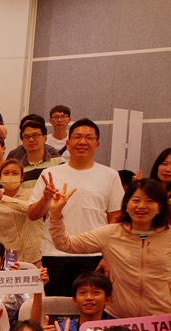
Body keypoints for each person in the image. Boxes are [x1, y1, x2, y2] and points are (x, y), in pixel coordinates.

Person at [48, 177, 171, 318]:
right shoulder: (111, 233)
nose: (142, 206)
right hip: (119, 317)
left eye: (150, 201)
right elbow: (65, 243)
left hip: (162, 319)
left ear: (160, 207)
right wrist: (55, 213)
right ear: (126, 205)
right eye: (136, 200)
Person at [30, 119, 123, 295]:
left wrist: (109, 257)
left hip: (94, 256)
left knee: (91, 310)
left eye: (89, 138)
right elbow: (33, 215)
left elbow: (115, 221)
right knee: (57, 309)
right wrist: (45, 199)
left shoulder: (110, 175)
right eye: (77, 137)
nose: (82, 142)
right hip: (54, 254)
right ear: (68, 143)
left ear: (97, 144)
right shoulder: (50, 174)